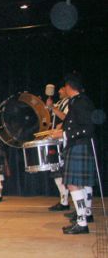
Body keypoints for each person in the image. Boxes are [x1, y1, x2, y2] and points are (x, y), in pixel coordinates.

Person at [50, 73, 96, 234]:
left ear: (69, 88)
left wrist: (64, 135)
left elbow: (88, 128)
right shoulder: (77, 101)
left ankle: (82, 222)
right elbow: (71, 122)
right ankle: (85, 216)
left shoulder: (80, 103)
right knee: (80, 183)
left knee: (73, 184)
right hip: (78, 146)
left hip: (78, 146)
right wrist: (60, 130)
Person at [45, 86, 71, 212]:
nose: (59, 91)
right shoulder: (59, 103)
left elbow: (66, 118)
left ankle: (65, 201)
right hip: (55, 140)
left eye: (61, 89)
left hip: (64, 140)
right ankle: (63, 200)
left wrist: (53, 108)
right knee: (56, 171)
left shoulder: (70, 103)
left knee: (61, 171)